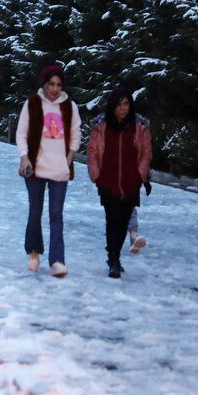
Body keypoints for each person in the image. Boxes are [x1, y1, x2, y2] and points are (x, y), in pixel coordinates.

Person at [15, 65, 80, 278]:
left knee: (56, 215)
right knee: (35, 210)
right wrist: (24, 156)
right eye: (52, 84)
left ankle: (57, 260)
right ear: (44, 83)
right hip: (35, 167)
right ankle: (33, 252)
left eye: (59, 85)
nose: (55, 88)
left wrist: (68, 157)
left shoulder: (70, 106)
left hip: (59, 169)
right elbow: (21, 133)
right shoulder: (33, 103)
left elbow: (76, 134)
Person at [86, 88, 152, 278]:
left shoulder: (139, 126)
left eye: (126, 104)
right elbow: (92, 152)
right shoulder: (102, 125)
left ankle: (115, 255)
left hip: (131, 182)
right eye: (119, 104)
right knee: (113, 220)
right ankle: (113, 258)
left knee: (123, 222)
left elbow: (146, 152)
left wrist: (141, 175)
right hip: (107, 181)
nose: (123, 108)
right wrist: (96, 175)